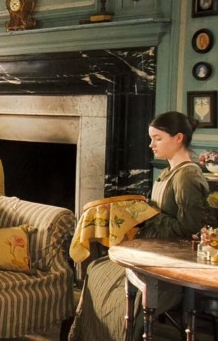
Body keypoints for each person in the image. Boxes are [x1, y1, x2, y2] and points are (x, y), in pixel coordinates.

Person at [69, 111, 210, 340]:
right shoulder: (168, 172)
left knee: (103, 275)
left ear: (178, 138)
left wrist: (149, 213)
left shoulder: (187, 176)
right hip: (152, 248)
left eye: (158, 138)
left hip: (169, 261)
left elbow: (189, 228)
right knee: (97, 269)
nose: (151, 144)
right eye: (151, 138)